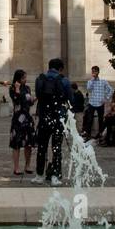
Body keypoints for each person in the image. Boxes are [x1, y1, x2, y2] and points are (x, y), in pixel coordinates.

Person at [35, 57, 71, 185]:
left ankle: (39, 175)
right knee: (57, 148)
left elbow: (38, 96)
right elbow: (69, 98)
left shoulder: (40, 79)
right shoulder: (64, 80)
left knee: (41, 147)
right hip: (58, 118)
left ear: (49, 67)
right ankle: (56, 176)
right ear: (61, 68)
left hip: (44, 117)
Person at [7, 70, 36, 176]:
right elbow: (16, 100)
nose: (25, 79)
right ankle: (16, 168)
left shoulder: (27, 88)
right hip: (18, 119)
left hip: (27, 118)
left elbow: (30, 102)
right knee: (16, 144)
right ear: (18, 79)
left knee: (28, 144)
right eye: (24, 78)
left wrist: (34, 99)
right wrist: (17, 88)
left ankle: (27, 166)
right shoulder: (12, 88)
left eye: (25, 77)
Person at [82, 65, 112, 142]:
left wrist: (106, 99)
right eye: (92, 72)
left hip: (100, 103)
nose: (93, 73)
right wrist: (93, 79)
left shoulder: (103, 81)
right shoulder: (90, 81)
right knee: (89, 119)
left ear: (98, 72)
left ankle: (100, 135)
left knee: (101, 120)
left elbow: (110, 90)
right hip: (92, 102)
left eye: (95, 71)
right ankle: (88, 135)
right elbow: (89, 89)